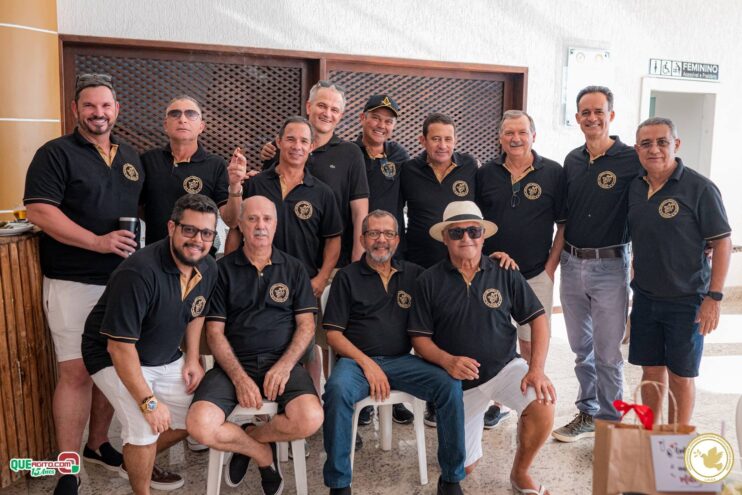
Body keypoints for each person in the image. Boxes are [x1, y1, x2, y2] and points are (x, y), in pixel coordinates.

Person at [24, 73, 142, 494]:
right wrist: (97, 241)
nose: (98, 113)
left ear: (117, 110)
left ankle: (97, 445)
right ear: (75, 109)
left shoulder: (130, 156)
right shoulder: (55, 153)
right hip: (73, 280)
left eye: (106, 105)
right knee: (76, 372)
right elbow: (39, 211)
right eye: (90, 105)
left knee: (112, 366)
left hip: (122, 282)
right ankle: (67, 470)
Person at [409, 201, 556, 495]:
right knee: (461, 468)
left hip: (505, 368)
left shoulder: (505, 270)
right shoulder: (428, 280)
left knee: (543, 402)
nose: (466, 238)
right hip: (458, 383)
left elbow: (538, 319)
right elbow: (419, 339)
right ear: (445, 238)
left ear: (483, 236)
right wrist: (447, 361)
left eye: (473, 231)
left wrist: (537, 369)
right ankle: (468, 445)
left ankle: (521, 473)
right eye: (457, 232)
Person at [81, 194, 219, 494]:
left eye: (206, 233)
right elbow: (119, 348)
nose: (198, 240)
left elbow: (197, 311)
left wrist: (192, 358)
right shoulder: (139, 272)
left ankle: (135, 462)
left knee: (201, 416)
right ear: (171, 227)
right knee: (145, 424)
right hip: (112, 356)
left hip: (165, 354)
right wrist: (148, 402)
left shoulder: (208, 266)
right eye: (189, 230)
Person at [186, 195, 324, 495]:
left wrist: (284, 366)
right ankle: (261, 453)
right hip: (233, 365)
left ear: (276, 224)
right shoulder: (222, 270)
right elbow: (215, 333)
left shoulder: (294, 268)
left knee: (311, 418)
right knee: (199, 425)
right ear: (240, 224)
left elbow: (306, 326)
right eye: (252, 219)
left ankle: (254, 436)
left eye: (267, 219)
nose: (260, 225)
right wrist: (239, 378)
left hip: (284, 364)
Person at [322, 210, 466, 495]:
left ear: (397, 240)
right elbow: (333, 335)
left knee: (449, 385)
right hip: (355, 363)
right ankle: (339, 485)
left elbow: (453, 276)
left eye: (388, 234)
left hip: (402, 361)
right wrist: (367, 364)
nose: (381, 240)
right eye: (374, 233)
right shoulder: (346, 277)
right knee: (337, 391)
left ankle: (451, 479)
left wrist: (494, 260)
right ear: (362, 239)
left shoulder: (415, 275)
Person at [552, 86, 642, 443]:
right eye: (585, 112)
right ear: (577, 118)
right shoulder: (572, 160)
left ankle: (611, 423)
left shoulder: (632, 159)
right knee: (581, 350)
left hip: (610, 266)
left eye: (598, 111)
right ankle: (587, 412)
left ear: (611, 116)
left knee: (607, 353)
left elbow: (657, 196)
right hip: (572, 264)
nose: (592, 118)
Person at [627, 117, 731, 424]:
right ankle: (650, 436)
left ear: (676, 144)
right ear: (637, 149)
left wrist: (714, 297)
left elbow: (722, 243)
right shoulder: (635, 187)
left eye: (662, 142)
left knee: (681, 375)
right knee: (650, 371)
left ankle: (675, 442)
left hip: (687, 301)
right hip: (645, 298)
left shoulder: (700, 188)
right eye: (646, 143)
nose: (654, 149)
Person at [240, 116, 343, 394]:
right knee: (259, 343)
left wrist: (321, 278)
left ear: (311, 147)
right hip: (256, 279)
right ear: (278, 142)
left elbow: (333, 240)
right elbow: (237, 228)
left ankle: (311, 398)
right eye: (291, 139)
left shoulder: (322, 192)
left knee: (307, 348)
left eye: (303, 141)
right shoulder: (255, 184)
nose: (297, 146)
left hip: (303, 283)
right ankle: (261, 404)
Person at [476, 110, 566, 363]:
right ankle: (500, 391)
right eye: (509, 133)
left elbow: (563, 225)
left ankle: (532, 388)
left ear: (533, 136)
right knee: (492, 342)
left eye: (522, 132)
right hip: (492, 274)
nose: (516, 138)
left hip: (536, 274)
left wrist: (550, 269)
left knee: (531, 344)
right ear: (500, 138)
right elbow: (475, 223)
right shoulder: (485, 174)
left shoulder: (553, 172)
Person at [260, 80, 369, 267]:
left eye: (334, 109)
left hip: (330, 264)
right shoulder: (283, 148)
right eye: (322, 106)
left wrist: (358, 263)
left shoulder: (351, 154)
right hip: (276, 262)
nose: (327, 113)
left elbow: (360, 213)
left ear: (341, 115)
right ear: (309, 107)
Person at [353, 94, 413, 425]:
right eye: (376, 117)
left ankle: (395, 391)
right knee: (362, 322)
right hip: (358, 248)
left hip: (392, 251)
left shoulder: (399, 156)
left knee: (395, 322)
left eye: (388, 121)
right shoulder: (349, 153)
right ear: (363, 118)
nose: (381, 125)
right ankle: (361, 393)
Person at [139, 95, 246, 245]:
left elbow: (232, 221)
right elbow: (137, 206)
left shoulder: (215, 165)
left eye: (191, 114)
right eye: (175, 114)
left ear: (201, 126)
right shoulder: (148, 160)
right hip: (155, 253)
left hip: (200, 252)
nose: (182, 119)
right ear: (165, 125)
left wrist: (235, 185)